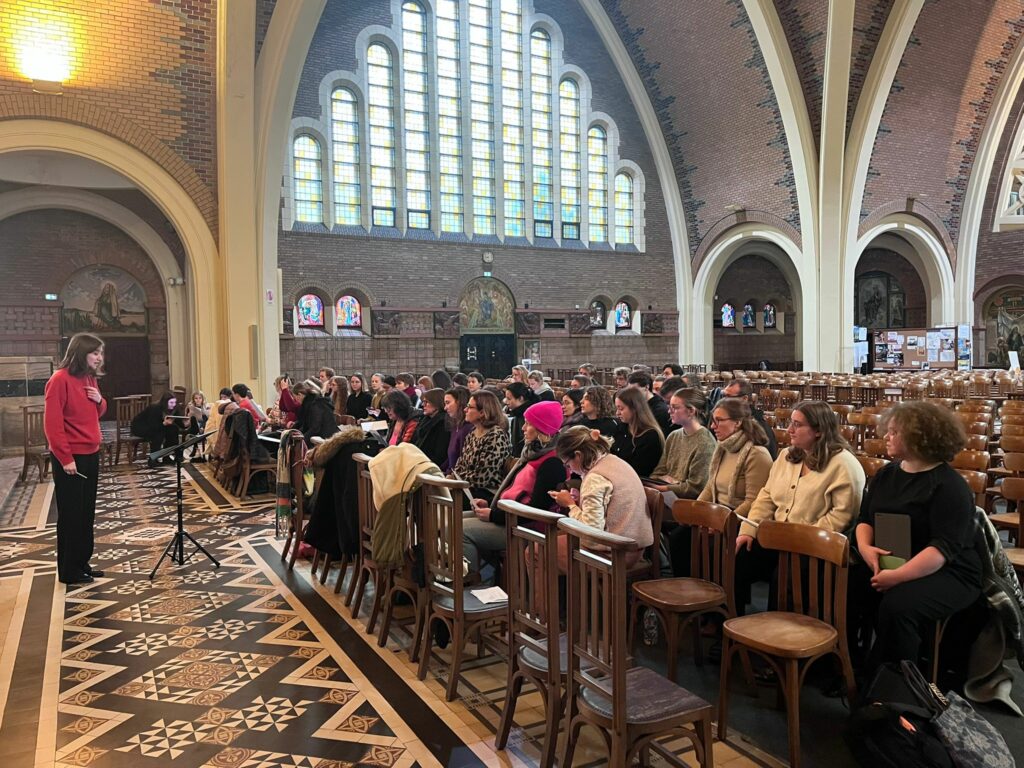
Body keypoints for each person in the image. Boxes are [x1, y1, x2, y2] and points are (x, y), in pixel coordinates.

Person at [853, 401, 982, 669]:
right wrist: (865, 549)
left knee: (898, 605)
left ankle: (900, 682)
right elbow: (865, 520)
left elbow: (942, 548)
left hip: (949, 571)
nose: (886, 436)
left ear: (918, 437)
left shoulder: (949, 486)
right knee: (846, 583)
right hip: (895, 558)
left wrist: (896, 576)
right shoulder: (887, 474)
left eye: (894, 432)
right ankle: (850, 663)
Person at [735, 401, 865, 615]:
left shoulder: (843, 464)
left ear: (819, 430)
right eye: (790, 423)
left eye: (797, 424)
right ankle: (730, 620)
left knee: (786, 574)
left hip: (816, 546)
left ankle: (780, 631)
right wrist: (749, 529)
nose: (789, 430)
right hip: (779, 538)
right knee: (738, 553)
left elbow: (842, 517)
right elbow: (766, 497)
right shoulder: (787, 456)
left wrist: (799, 540)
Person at [463, 400, 565, 581]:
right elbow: (515, 490)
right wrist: (491, 504)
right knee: (455, 518)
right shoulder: (533, 453)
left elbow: (537, 511)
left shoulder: (551, 463)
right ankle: (489, 574)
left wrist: (494, 515)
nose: (523, 428)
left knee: (460, 529)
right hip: (509, 515)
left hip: (526, 527)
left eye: (529, 424)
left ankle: (470, 581)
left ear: (542, 430)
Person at [44, 333, 107, 586]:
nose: (99, 358)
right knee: (71, 514)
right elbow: (52, 424)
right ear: (81, 353)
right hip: (71, 457)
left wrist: (100, 400)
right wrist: (65, 457)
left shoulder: (89, 378)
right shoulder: (59, 380)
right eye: (95, 353)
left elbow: (97, 412)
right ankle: (69, 570)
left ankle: (82, 562)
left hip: (91, 453)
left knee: (86, 512)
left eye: (100, 353)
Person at [549, 426, 654, 570]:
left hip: (614, 554)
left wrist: (570, 505)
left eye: (567, 464)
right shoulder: (613, 461)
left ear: (578, 455)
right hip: (632, 548)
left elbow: (590, 534)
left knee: (535, 552)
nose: (569, 469)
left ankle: (573, 585)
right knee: (553, 541)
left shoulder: (595, 478)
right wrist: (581, 500)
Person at [697, 397, 772, 525]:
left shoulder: (756, 454)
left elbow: (753, 501)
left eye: (719, 420)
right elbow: (710, 487)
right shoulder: (722, 447)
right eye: (713, 421)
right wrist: (695, 510)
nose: (713, 426)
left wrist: (723, 522)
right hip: (717, 513)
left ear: (737, 423)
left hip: (738, 521)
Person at [649, 388, 716, 496]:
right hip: (667, 493)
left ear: (691, 411)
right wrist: (652, 482)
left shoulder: (705, 443)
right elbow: (660, 470)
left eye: (675, 408)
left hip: (687, 501)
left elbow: (695, 487)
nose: (669, 411)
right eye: (669, 406)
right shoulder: (674, 436)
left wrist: (665, 487)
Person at [452, 390, 512, 503]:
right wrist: (453, 478)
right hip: (467, 487)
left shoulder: (496, 436)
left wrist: (456, 479)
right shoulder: (472, 433)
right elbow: (460, 465)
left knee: (445, 498)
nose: (465, 410)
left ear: (483, 412)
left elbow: (482, 477)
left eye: (470, 407)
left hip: (486, 493)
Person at [611, 386, 664, 477]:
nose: (617, 413)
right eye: (617, 408)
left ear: (635, 408)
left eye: (621, 409)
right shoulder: (622, 427)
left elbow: (639, 471)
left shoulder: (650, 436)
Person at [721, 378, 777, 459]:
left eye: (729, 397)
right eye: (723, 396)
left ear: (744, 399)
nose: (723, 401)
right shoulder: (730, 420)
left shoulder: (759, 428)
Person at [131, 391, 187, 465]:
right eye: (171, 403)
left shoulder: (175, 408)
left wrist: (187, 424)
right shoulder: (155, 408)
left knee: (173, 429)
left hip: (158, 425)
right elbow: (153, 425)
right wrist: (164, 423)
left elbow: (179, 423)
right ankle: (153, 459)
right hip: (141, 426)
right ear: (165, 402)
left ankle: (167, 456)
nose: (173, 405)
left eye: (174, 402)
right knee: (159, 433)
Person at [627, 370, 674, 436]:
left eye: (635, 390)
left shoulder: (660, 410)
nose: (632, 394)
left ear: (646, 387)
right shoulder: (635, 406)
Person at [291, 380, 338, 445]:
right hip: (319, 436)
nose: (296, 401)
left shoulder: (316, 404)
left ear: (300, 395)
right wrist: (293, 432)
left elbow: (315, 428)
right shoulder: (310, 403)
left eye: (295, 398)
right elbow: (305, 425)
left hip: (326, 439)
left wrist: (301, 441)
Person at [412, 388, 450, 466]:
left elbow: (439, 455)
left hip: (429, 465)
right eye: (423, 402)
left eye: (426, 402)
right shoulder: (426, 419)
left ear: (436, 404)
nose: (423, 405)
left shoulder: (443, 424)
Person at [443, 386, 472, 472]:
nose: (445, 408)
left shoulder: (468, 429)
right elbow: (450, 460)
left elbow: (462, 462)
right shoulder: (456, 426)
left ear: (460, 403)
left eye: (448, 403)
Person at [504, 382, 532, 456]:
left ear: (520, 398)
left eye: (509, 399)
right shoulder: (517, 413)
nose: (506, 402)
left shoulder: (529, 416)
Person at [185, 390, 210, 462]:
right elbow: (186, 419)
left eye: (200, 398)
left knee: (204, 418)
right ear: (193, 399)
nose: (198, 400)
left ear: (202, 399)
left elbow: (209, 418)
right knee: (193, 419)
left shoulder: (206, 406)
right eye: (196, 398)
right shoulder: (190, 406)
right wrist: (190, 412)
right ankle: (196, 449)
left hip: (205, 426)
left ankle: (195, 449)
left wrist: (204, 411)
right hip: (193, 426)